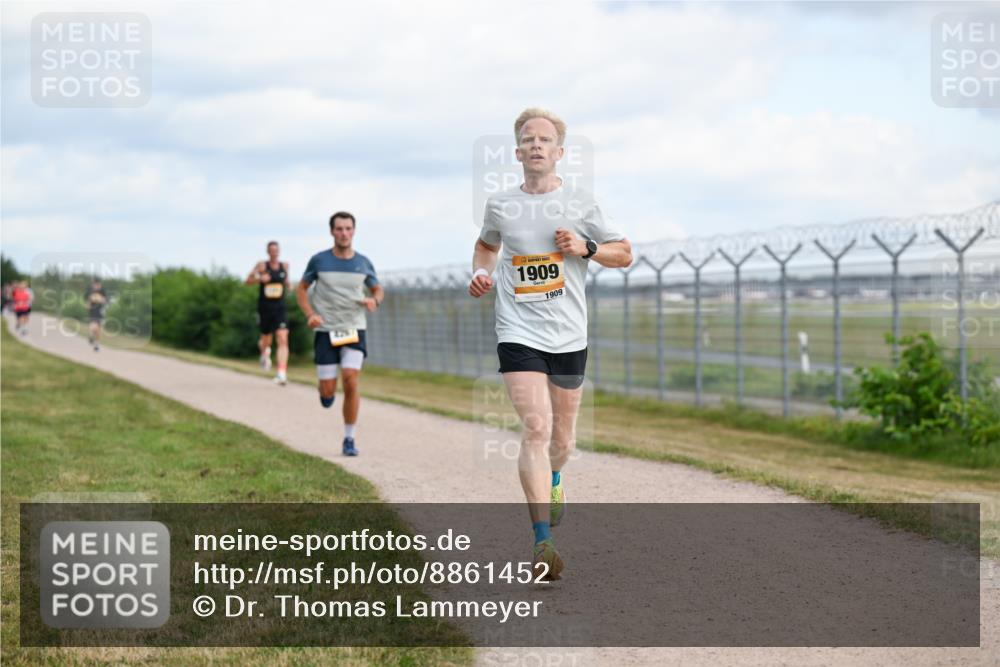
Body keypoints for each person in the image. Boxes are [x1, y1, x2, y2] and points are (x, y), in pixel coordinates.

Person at [469, 108, 632, 580]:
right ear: (517, 152)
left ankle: (556, 477)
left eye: (544, 139)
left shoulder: (581, 203)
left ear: (559, 152)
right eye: (528, 139)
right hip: (518, 331)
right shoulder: (500, 205)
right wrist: (481, 272)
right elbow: (486, 245)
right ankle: (543, 542)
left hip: (568, 335)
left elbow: (625, 252)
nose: (536, 145)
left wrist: (588, 249)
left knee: (562, 440)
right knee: (536, 430)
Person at [296, 211, 383, 456]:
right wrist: (310, 314)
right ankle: (325, 392)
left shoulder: (363, 262)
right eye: (339, 229)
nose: (344, 233)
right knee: (327, 390)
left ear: (354, 231)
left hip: (354, 328)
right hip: (325, 330)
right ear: (332, 231)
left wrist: (374, 300)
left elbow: (377, 289)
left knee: (351, 379)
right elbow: (301, 289)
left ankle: (349, 438)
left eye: (348, 228)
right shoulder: (319, 261)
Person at [246, 242, 291, 385]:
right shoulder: (261, 265)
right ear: (267, 251)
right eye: (272, 251)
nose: (274, 253)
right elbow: (248, 281)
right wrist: (259, 279)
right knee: (266, 339)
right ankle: (265, 353)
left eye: (276, 251)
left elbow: (286, 282)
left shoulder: (285, 266)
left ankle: (281, 373)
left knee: (282, 337)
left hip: (280, 308)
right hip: (265, 308)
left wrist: (290, 286)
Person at [84, 279, 108, 351]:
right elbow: (87, 305)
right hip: (92, 313)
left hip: (100, 313)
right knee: (93, 327)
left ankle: (97, 345)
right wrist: (90, 302)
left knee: (98, 330)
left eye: (98, 285)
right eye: (95, 285)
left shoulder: (103, 291)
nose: (97, 286)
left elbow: (105, 301)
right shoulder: (89, 292)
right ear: (93, 285)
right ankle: (91, 337)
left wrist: (100, 299)